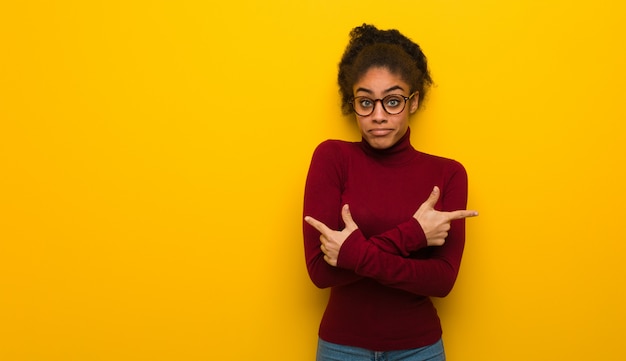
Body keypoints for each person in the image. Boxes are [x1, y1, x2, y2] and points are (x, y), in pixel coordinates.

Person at [302, 24, 479, 361]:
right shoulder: (332, 158)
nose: (378, 116)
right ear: (351, 102)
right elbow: (321, 272)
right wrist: (414, 234)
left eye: (392, 101)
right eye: (365, 102)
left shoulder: (448, 173)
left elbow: (442, 281)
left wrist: (353, 253)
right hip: (342, 347)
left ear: (413, 102)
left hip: (419, 349)